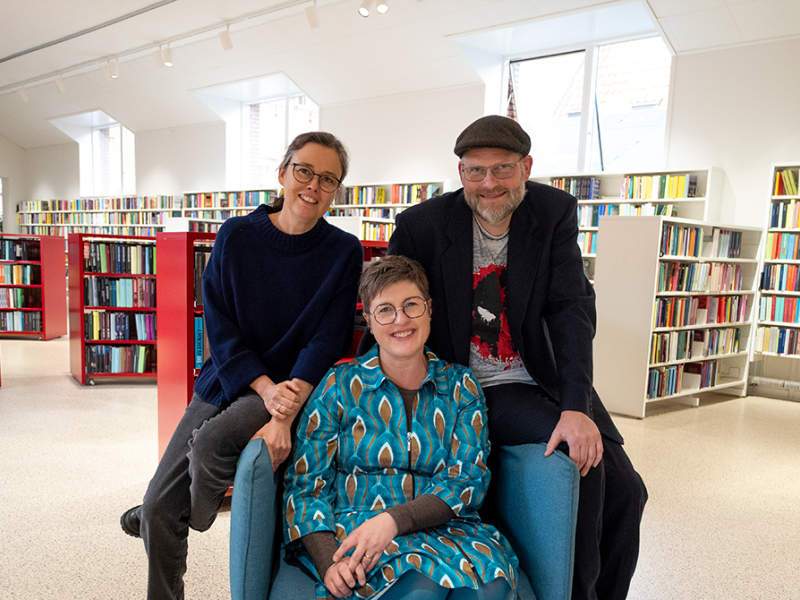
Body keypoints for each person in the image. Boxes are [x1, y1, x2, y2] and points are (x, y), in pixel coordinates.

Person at [377, 115, 648, 600]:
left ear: (526, 166)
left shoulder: (554, 212)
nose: (489, 184)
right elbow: (390, 299)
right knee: (582, 465)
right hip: (469, 385)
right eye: (475, 171)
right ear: (460, 172)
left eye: (502, 169)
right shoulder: (422, 225)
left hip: (536, 375)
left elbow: (571, 309)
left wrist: (576, 405)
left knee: (630, 492)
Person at [120, 131, 364, 600]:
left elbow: (329, 336)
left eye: (328, 179)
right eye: (305, 171)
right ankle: (170, 531)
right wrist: (262, 385)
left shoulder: (343, 251)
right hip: (231, 376)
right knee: (154, 508)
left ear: (336, 190)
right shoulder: (236, 235)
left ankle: (194, 516)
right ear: (283, 173)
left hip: (292, 385)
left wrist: (284, 402)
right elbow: (220, 321)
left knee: (212, 443)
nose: (313, 185)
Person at [283, 255, 518, 600]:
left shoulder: (461, 386)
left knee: (491, 589)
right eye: (385, 310)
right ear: (368, 319)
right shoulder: (338, 385)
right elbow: (305, 486)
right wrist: (327, 563)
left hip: (449, 528)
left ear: (430, 309)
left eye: (411, 305)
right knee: (421, 593)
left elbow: (467, 479)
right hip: (361, 530)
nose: (401, 320)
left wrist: (394, 520)